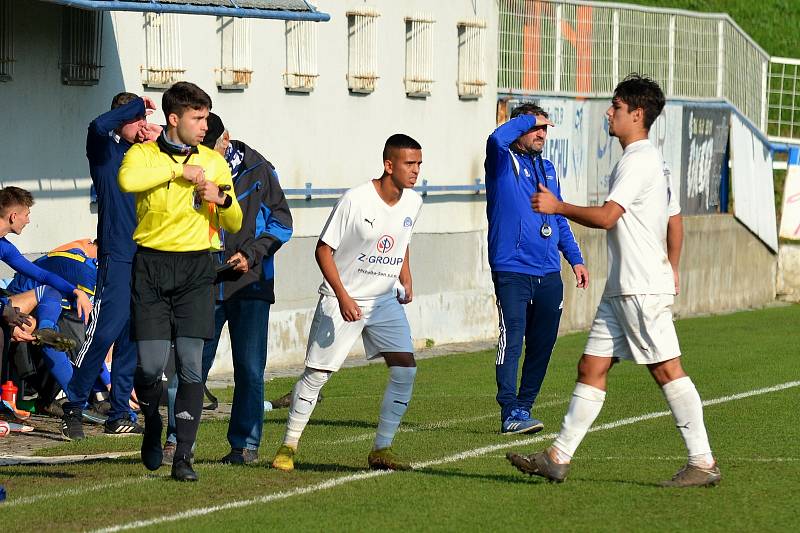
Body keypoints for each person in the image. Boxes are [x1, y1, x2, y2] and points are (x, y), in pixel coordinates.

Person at [507, 74, 720, 487]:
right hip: (624, 288)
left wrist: (558, 206)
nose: (609, 112)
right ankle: (557, 457)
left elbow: (608, 217)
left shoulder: (638, 160)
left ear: (636, 114)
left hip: (639, 287)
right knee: (591, 366)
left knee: (666, 370)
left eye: (616, 107)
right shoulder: (650, 160)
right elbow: (674, 219)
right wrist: (672, 266)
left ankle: (703, 462)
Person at [271, 134, 423, 473]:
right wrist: (342, 296)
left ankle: (381, 449)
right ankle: (288, 445)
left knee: (405, 368)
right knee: (316, 376)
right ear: (389, 165)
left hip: (383, 300)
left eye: (418, 164)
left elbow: (403, 239)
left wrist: (405, 275)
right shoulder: (356, 200)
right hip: (342, 298)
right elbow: (323, 250)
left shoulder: (413, 202)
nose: (415, 171)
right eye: (409, 164)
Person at [118, 81, 242, 482]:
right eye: (198, 118)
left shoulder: (215, 161)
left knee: (190, 363)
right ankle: (151, 420)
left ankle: (183, 455)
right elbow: (128, 183)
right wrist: (179, 171)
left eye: (206, 117)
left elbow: (236, 220)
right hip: (151, 267)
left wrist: (219, 199)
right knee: (151, 365)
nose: (205, 126)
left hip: (196, 269)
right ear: (174, 119)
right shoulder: (142, 153)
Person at [162, 112, 293, 465]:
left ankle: (245, 446)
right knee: (189, 367)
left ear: (226, 138)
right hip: (201, 284)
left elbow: (282, 224)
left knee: (249, 369)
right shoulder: (189, 166)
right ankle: (177, 440)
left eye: (212, 147)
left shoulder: (260, 170)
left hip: (250, 284)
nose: (208, 155)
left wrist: (251, 254)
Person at [60, 92, 161, 440]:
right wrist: (139, 107)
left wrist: (156, 139)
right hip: (116, 254)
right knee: (104, 331)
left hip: (145, 256)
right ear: (122, 119)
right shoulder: (105, 152)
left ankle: (120, 412)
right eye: (138, 121)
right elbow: (96, 125)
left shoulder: (145, 155)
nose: (144, 127)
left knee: (131, 336)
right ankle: (72, 404)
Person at [485, 103, 588, 435]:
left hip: (548, 272)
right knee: (512, 337)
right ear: (520, 128)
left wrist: (575, 258)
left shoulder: (548, 169)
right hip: (512, 268)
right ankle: (507, 408)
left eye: (545, 128)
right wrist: (528, 119)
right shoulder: (503, 161)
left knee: (543, 343)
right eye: (536, 128)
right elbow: (496, 139)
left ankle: (523, 408)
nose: (542, 133)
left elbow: (557, 218)